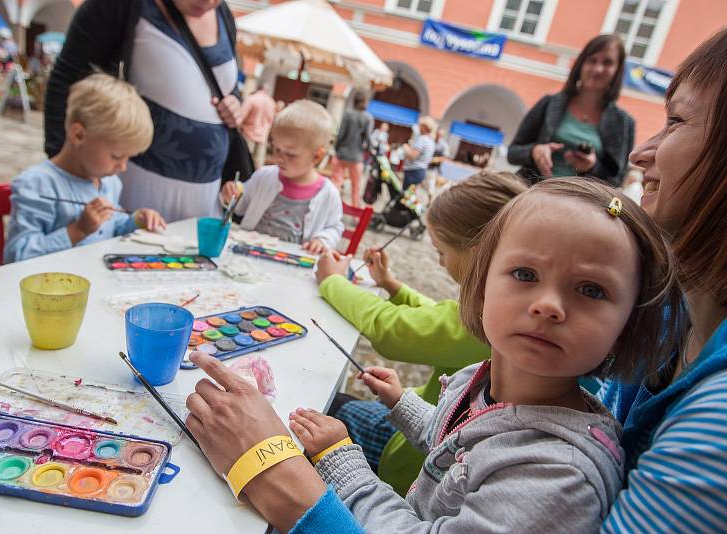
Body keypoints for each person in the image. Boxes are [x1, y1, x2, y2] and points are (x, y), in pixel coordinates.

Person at [183, 176, 678, 533]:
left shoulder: (555, 476)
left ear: (628, 325)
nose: (548, 305)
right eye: (526, 275)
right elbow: (455, 443)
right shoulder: (477, 378)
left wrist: (340, 461)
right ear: (480, 285)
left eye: (591, 290)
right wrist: (402, 404)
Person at [312, 171, 527, 495]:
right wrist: (392, 285)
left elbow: (390, 329)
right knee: (335, 402)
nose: (440, 263)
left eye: (441, 252)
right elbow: (442, 318)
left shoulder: (492, 318)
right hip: (421, 425)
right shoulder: (508, 306)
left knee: (321, 410)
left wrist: (332, 281)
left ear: (476, 251)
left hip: (410, 462)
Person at [599, 29, 727, 532]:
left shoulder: (718, 424)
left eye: (675, 121)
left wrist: (334, 486)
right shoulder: (665, 312)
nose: (641, 153)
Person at [44, 0, 243, 223]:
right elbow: (65, 78)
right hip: (133, 187)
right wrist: (62, 169)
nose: (209, 2)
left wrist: (236, 102)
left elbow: (220, 82)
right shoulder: (121, 6)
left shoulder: (223, 14)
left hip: (206, 200)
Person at [4, 74, 166, 263]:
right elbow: (17, 257)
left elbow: (111, 227)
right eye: (116, 156)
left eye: (128, 158)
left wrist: (136, 220)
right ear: (79, 135)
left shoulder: (109, 182)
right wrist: (78, 230)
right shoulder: (37, 184)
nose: (123, 167)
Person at [507, 34, 634, 187]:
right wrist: (534, 151)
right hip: (531, 193)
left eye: (607, 63)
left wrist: (592, 167)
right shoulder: (549, 104)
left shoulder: (623, 123)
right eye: (592, 60)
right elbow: (513, 153)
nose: (598, 69)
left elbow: (616, 181)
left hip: (581, 205)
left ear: (618, 70)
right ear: (581, 63)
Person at [219, 100, 343, 255]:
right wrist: (231, 195)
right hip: (248, 258)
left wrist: (322, 240)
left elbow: (334, 227)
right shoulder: (264, 176)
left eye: (291, 154)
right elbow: (240, 207)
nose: (280, 158)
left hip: (293, 266)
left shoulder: (328, 193)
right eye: (276, 149)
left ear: (317, 156)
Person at [331, 93, 373, 207]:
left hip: (342, 154)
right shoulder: (367, 118)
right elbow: (368, 140)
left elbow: (340, 134)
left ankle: (330, 208)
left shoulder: (348, 114)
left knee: (336, 182)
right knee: (356, 187)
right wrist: (369, 152)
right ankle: (355, 214)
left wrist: (336, 148)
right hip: (357, 157)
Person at [239, 83, 276, 168]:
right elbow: (272, 121)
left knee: (243, 165)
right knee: (258, 167)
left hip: (247, 136)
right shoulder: (271, 103)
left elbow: (240, 118)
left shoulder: (251, 99)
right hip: (262, 138)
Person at [402, 116, 436, 189]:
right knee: (409, 196)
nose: (419, 127)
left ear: (425, 127)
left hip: (413, 171)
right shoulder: (431, 141)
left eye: (420, 125)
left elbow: (412, 156)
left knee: (405, 197)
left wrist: (406, 147)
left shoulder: (422, 139)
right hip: (420, 171)